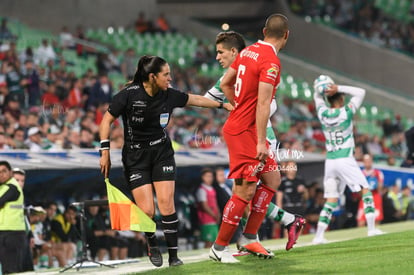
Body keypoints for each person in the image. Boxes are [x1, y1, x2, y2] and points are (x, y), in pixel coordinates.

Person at [99, 55, 233, 267]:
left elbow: (195, 99)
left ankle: (173, 256)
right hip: (135, 158)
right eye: (166, 74)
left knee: (166, 204)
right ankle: (151, 241)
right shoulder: (128, 95)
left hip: (162, 153)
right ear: (152, 77)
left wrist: (221, 105)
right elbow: (106, 120)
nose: (170, 78)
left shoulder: (169, 95)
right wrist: (105, 151)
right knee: (148, 211)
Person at [209, 14, 305, 263]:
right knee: (245, 191)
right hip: (245, 133)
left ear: (264, 31)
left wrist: (237, 104)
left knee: (272, 179)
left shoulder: (248, 50)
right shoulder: (271, 61)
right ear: (286, 35)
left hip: (244, 127)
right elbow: (263, 104)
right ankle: (219, 249)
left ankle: (249, 237)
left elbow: (226, 82)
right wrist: (261, 141)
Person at [312, 76, 383, 244]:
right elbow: (361, 92)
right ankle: (372, 229)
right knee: (365, 189)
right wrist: (338, 87)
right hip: (345, 158)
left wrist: (320, 89)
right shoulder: (346, 112)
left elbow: (317, 97)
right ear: (342, 98)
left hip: (330, 161)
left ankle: (319, 236)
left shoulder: (322, 113)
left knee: (331, 199)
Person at [0, 161, 26, 274]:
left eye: (3, 171)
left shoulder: (12, 187)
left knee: (11, 269)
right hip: (5, 231)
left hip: (12, 233)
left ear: (10, 173)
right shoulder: (3, 187)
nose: (1, 174)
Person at [357, 154, 384, 226]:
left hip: (375, 196)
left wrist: (374, 179)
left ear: (372, 161)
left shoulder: (378, 173)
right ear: (363, 162)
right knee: (361, 220)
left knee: (376, 219)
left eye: (369, 161)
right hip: (364, 196)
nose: (368, 163)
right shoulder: (360, 174)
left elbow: (380, 189)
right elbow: (358, 190)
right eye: (366, 161)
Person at [196, 168, 220, 248]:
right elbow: (204, 206)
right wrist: (214, 215)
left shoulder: (212, 189)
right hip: (206, 220)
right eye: (207, 176)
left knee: (214, 240)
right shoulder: (201, 190)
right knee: (208, 241)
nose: (210, 178)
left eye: (211, 176)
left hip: (214, 219)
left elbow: (215, 203)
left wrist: (218, 214)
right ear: (203, 177)